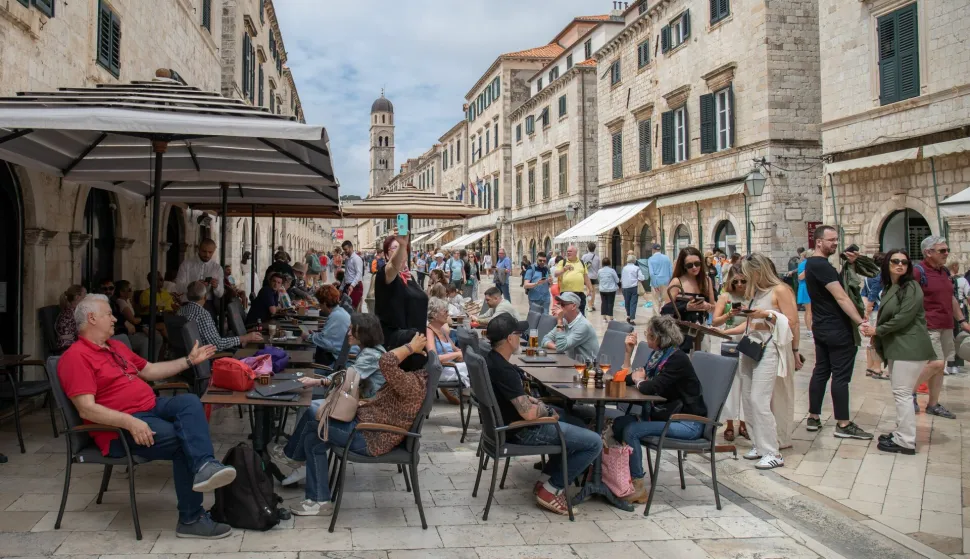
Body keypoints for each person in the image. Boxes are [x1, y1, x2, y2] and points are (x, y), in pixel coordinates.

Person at [59, 294, 236, 538]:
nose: (114, 318)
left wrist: (189, 361)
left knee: (190, 402)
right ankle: (191, 519)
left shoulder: (115, 346)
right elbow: (86, 409)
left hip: (151, 407)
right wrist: (130, 422)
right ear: (92, 318)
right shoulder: (76, 357)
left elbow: (150, 370)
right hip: (120, 428)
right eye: (109, 314)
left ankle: (205, 465)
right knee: (182, 441)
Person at [289, 332, 430, 516]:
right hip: (367, 426)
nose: (391, 352)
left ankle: (297, 465)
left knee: (314, 425)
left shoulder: (410, 383)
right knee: (314, 436)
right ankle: (318, 498)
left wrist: (410, 347)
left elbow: (386, 361)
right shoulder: (413, 377)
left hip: (369, 437)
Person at [484, 314, 602, 515]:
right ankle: (552, 489)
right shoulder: (505, 371)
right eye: (518, 333)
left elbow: (520, 401)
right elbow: (529, 414)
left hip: (506, 424)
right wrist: (547, 410)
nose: (521, 337)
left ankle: (545, 481)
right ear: (510, 339)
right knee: (594, 442)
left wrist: (539, 405)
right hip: (521, 430)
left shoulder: (491, 360)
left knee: (576, 424)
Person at [613, 315, 707, 502]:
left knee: (631, 430)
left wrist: (640, 380)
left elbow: (651, 387)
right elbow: (626, 378)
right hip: (665, 416)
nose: (646, 336)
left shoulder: (676, 359)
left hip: (687, 422)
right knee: (618, 424)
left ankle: (638, 485)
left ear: (657, 338)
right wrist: (628, 353)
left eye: (648, 334)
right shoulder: (658, 356)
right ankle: (618, 477)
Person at [731, 253, 801, 468]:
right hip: (751, 347)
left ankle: (773, 451)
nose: (743, 278)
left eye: (747, 273)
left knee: (759, 399)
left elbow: (792, 321)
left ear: (758, 271)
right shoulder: (756, 293)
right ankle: (759, 444)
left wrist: (767, 315)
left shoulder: (779, 289)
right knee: (747, 398)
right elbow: (752, 322)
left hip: (768, 348)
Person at [861, 249, 934, 455]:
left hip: (908, 346)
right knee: (901, 392)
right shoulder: (892, 286)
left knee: (902, 393)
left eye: (904, 262)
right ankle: (902, 432)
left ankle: (906, 440)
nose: (900, 265)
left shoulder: (911, 286)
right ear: (887, 264)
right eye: (895, 261)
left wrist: (878, 330)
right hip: (899, 346)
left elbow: (904, 316)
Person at [804, 225, 870, 439]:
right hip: (837, 328)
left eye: (836, 240)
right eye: (831, 240)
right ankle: (843, 423)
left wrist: (849, 264)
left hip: (822, 326)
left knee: (821, 370)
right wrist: (860, 322)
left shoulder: (811, 264)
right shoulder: (822, 266)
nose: (835, 244)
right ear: (819, 241)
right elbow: (841, 297)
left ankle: (813, 416)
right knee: (841, 376)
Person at [911, 236, 968, 418]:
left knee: (940, 367)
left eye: (946, 249)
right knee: (936, 363)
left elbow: (951, 299)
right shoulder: (918, 272)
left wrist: (962, 321)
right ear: (928, 253)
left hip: (946, 325)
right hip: (928, 326)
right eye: (942, 250)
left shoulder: (944, 272)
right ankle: (908, 392)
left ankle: (933, 404)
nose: (946, 253)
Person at [711, 266, 748, 442]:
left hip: (747, 340)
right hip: (729, 340)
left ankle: (744, 422)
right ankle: (730, 424)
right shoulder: (725, 297)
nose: (740, 284)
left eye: (743, 281)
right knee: (731, 383)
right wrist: (728, 315)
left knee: (746, 382)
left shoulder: (751, 296)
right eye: (736, 281)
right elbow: (715, 321)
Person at [375, 234, 430, 344]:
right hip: (397, 344)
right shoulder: (385, 274)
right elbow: (393, 266)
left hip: (417, 343)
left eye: (403, 248)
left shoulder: (409, 277)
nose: (400, 250)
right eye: (394, 248)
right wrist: (402, 244)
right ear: (386, 255)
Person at [179, 281, 262, 351]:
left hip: (186, 356)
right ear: (205, 297)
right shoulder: (203, 314)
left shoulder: (180, 311)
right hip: (205, 357)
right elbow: (217, 344)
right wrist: (244, 338)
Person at [426, 297, 470, 403]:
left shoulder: (442, 330)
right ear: (435, 314)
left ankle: (475, 395)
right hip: (442, 370)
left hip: (451, 367)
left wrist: (463, 353)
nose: (448, 313)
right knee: (477, 369)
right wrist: (456, 355)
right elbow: (434, 358)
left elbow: (455, 349)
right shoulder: (429, 332)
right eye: (445, 311)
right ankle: (478, 397)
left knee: (479, 364)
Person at [113, 280, 163, 361]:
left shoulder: (128, 300)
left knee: (158, 337)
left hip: (137, 327)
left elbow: (137, 314)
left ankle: (154, 362)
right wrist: (142, 321)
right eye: (129, 290)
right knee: (149, 339)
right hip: (131, 331)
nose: (131, 291)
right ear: (121, 292)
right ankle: (146, 365)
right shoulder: (121, 302)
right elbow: (133, 320)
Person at [541, 292, 599, 360]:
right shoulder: (565, 321)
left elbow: (561, 347)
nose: (559, 307)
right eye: (559, 303)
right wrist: (556, 347)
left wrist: (559, 320)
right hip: (569, 364)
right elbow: (545, 340)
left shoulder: (583, 326)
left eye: (563, 304)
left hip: (585, 368)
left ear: (573, 306)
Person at [174, 239, 224, 310]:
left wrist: (216, 286)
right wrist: (194, 285)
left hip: (208, 304)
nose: (207, 255)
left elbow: (220, 294)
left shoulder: (217, 268)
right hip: (188, 303)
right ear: (199, 249)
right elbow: (178, 287)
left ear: (214, 251)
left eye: (210, 252)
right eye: (204, 251)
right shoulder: (186, 264)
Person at [308, 285, 352, 365]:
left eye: (320, 304)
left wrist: (309, 336)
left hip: (339, 360)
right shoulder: (339, 312)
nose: (320, 307)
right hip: (342, 355)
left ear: (324, 303)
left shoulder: (336, 316)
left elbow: (326, 342)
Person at [862, 253, 888, 379]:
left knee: (872, 339)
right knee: (877, 339)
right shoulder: (880, 276)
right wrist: (868, 309)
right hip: (878, 310)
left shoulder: (867, 276)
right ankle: (877, 368)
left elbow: (864, 293)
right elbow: (873, 294)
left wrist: (867, 310)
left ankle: (870, 367)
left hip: (872, 310)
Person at [553, 245, 593, 315]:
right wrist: (564, 269)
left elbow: (586, 278)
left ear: (575, 253)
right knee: (567, 314)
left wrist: (590, 290)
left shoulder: (582, 263)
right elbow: (556, 274)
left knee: (581, 313)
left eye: (570, 251)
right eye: (567, 251)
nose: (568, 253)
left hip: (579, 293)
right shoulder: (562, 262)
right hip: (566, 293)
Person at [947, 261, 970, 375]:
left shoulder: (946, 279)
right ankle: (957, 362)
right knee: (960, 337)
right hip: (960, 310)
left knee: (949, 337)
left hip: (947, 311)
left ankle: (949, 364)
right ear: (955, 266)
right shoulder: (962, 280)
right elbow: (968, 296)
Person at [56, 285, 87, 352]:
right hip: (68, 348)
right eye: (85, 294)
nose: (86, 297)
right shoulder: (70, 313)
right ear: (77, 297)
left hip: (71, 346)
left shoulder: (72, 311)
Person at [621, 254, 646, 324]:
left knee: (627, 302)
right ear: (634, 260)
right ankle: (631, 319)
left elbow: (622, 278)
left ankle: (628, 315)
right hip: (634, 287)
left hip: (625, 287)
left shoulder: (624, 268)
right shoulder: (636, 268)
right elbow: (642, 278)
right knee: (633, 303)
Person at [340, 240, 365, 310]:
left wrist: (352, 285)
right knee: (346, 308)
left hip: (355, 287)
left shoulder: (357, 259)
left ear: (351, 248)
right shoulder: (348, 259)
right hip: (348, 286)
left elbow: (359, 273)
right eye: (344, 250)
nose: (345, 251)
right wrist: (341, 288)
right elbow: (346, 274)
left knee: (353, 308)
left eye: (346, 249)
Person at [647, 244, 673, 308]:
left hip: (655, 282)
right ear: (659, 249)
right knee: (665, 301)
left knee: (656, 302)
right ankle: (664, 315)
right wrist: (670, 282)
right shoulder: (667, 258)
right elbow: (671, 271)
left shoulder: (651, 259)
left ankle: (657, 316)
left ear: (653, 250)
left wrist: (655, 285)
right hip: (666, 282)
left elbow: (652, 274)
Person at [596, 257, 619, 322]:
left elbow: (598, 279)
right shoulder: (612, 271)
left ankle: (604, 318)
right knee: (610, 303)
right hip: (611, 290)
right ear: (609, 263)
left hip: (602, 289)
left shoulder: (599, 271)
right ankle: (611, 318)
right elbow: (617, 280)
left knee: (603, 303)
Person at [582, 243, 602, 312]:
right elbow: (599, 268)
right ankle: (592, 304)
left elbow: (581, 266)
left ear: (588, 248)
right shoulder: (597, 258)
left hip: (587, 276)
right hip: (594, 276)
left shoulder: (584, 256)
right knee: (593, 291)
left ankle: (589, 306)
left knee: (588, 290)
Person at [796, 251, 812, 336]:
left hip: (810, 287)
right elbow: (800, 277)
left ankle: (811, 329)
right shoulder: (806, 264)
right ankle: (809, 330)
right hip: (806, 288)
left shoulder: (806, 263)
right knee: (809, 310)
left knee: (811, 310)